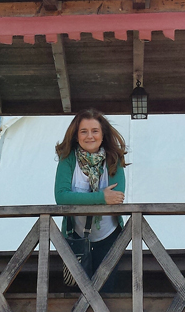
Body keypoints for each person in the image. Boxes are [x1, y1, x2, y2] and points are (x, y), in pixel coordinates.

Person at [54, 109, 128, 291]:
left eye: (95, 131)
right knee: (77, 292)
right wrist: (101, 197)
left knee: (105, 292)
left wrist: (79, 199)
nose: (89, 136)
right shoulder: (67, 159)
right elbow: (61, 196)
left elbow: (116, 197)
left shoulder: (114, 159)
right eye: (83, 131)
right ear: (76, 135)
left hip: (109, 237)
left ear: (103, 135)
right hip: (75, 236)